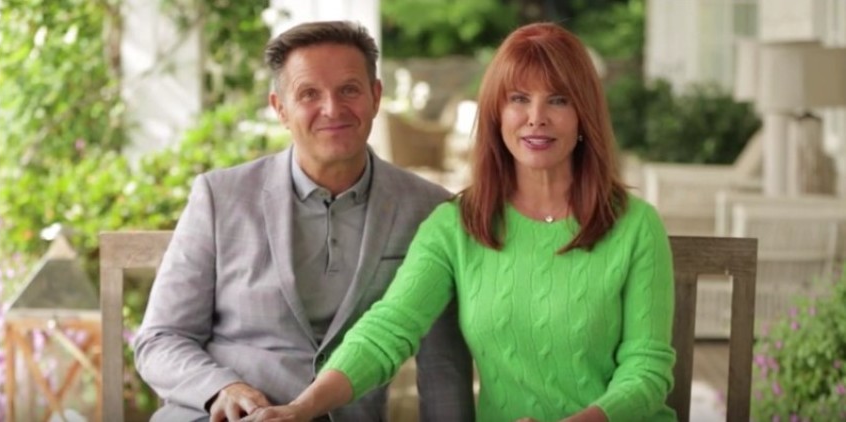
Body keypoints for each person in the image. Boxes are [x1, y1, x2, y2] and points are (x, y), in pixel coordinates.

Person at [242, 22, 677, 422]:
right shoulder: (457, 226)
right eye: (519, 99)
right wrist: (300, 409)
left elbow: (647, 370)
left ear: (584, 114)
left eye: (558, 100)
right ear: (496, 115)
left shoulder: (635, 226)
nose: (536, 117)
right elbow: (386, 331)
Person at [133, 21, 475, 422]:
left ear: (375, 96)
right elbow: (161, 338)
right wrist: (222, 389)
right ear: (280, 109)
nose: (332, 108)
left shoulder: (429, 208)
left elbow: (444, 368)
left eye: (349, 89)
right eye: (309, 94)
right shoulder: (220, 197)